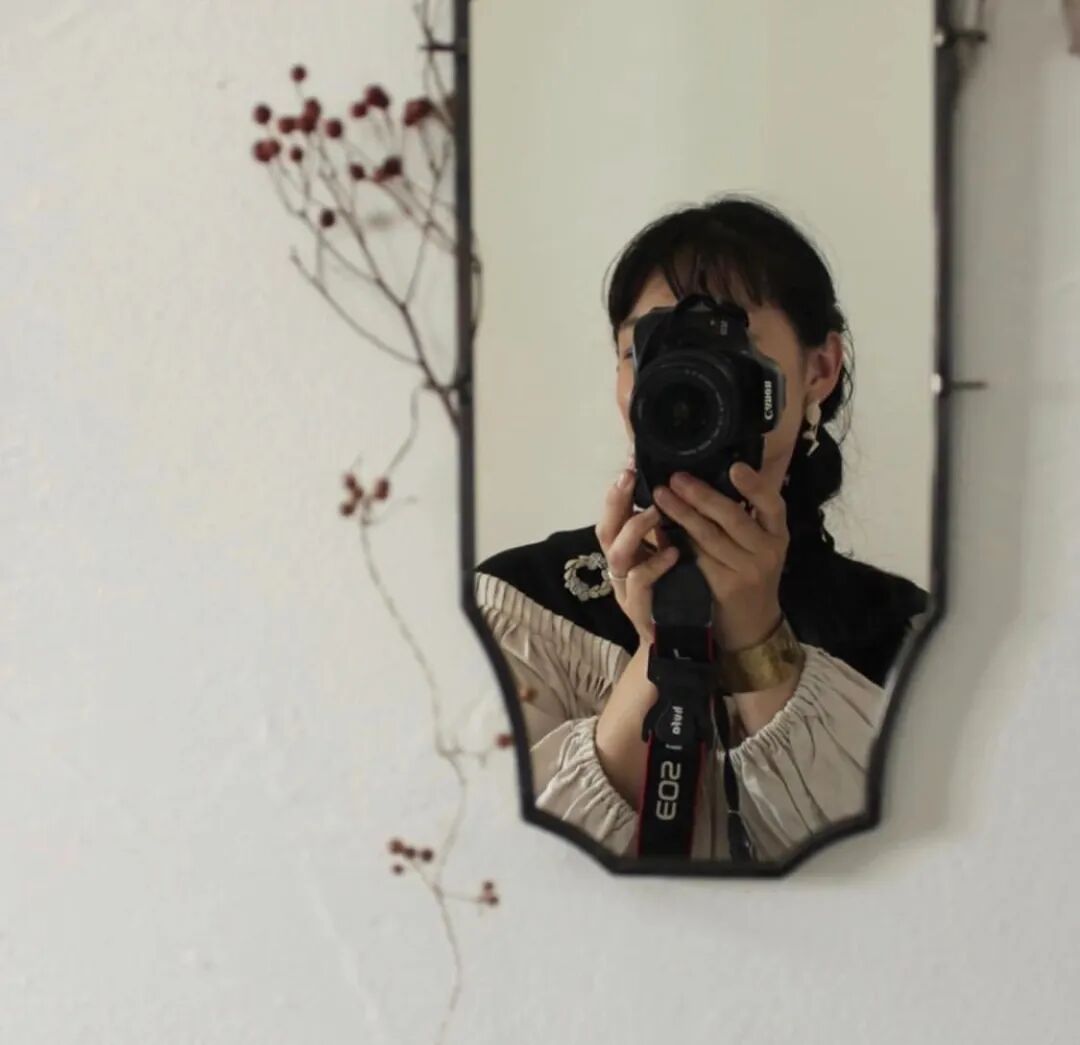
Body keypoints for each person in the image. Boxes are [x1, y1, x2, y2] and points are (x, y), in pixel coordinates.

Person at [473, 196, 929, 861]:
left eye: (729, 346)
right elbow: (503, 872)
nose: (684, 379)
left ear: (819, 370)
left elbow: (906, 877)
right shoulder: (521, 604)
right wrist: (664, 646)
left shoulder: (898, 632)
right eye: (649, 349)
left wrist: (761, 642)